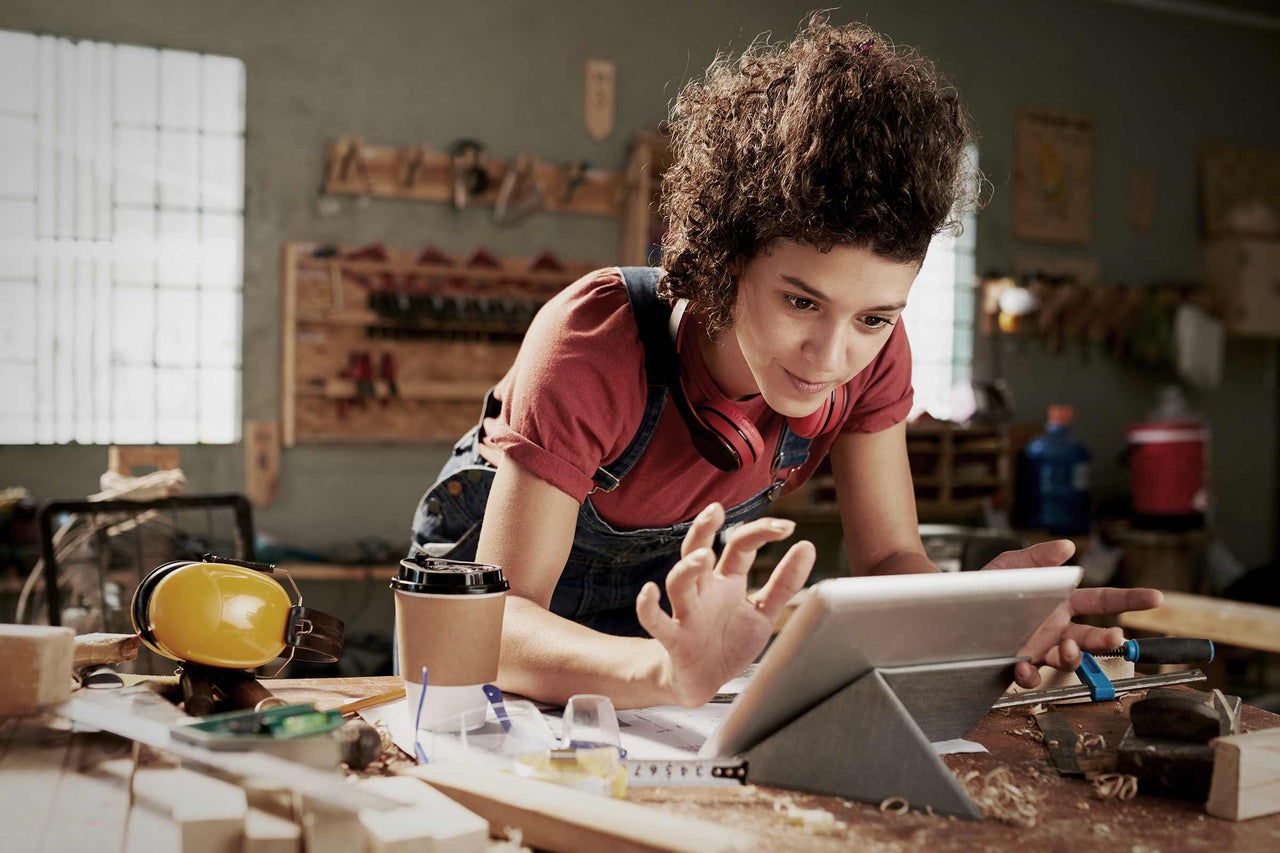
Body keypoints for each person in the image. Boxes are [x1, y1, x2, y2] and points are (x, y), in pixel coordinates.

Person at [408, 16, 1162, 709]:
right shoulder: (593, 344)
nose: (832, 357)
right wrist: (663, 674)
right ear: (725, 263)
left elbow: (890, 557)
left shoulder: (874, 360)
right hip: (500, 641)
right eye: (801, 302)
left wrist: (967, 617)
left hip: (653, 659)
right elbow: (494, 624)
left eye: (873, 317)